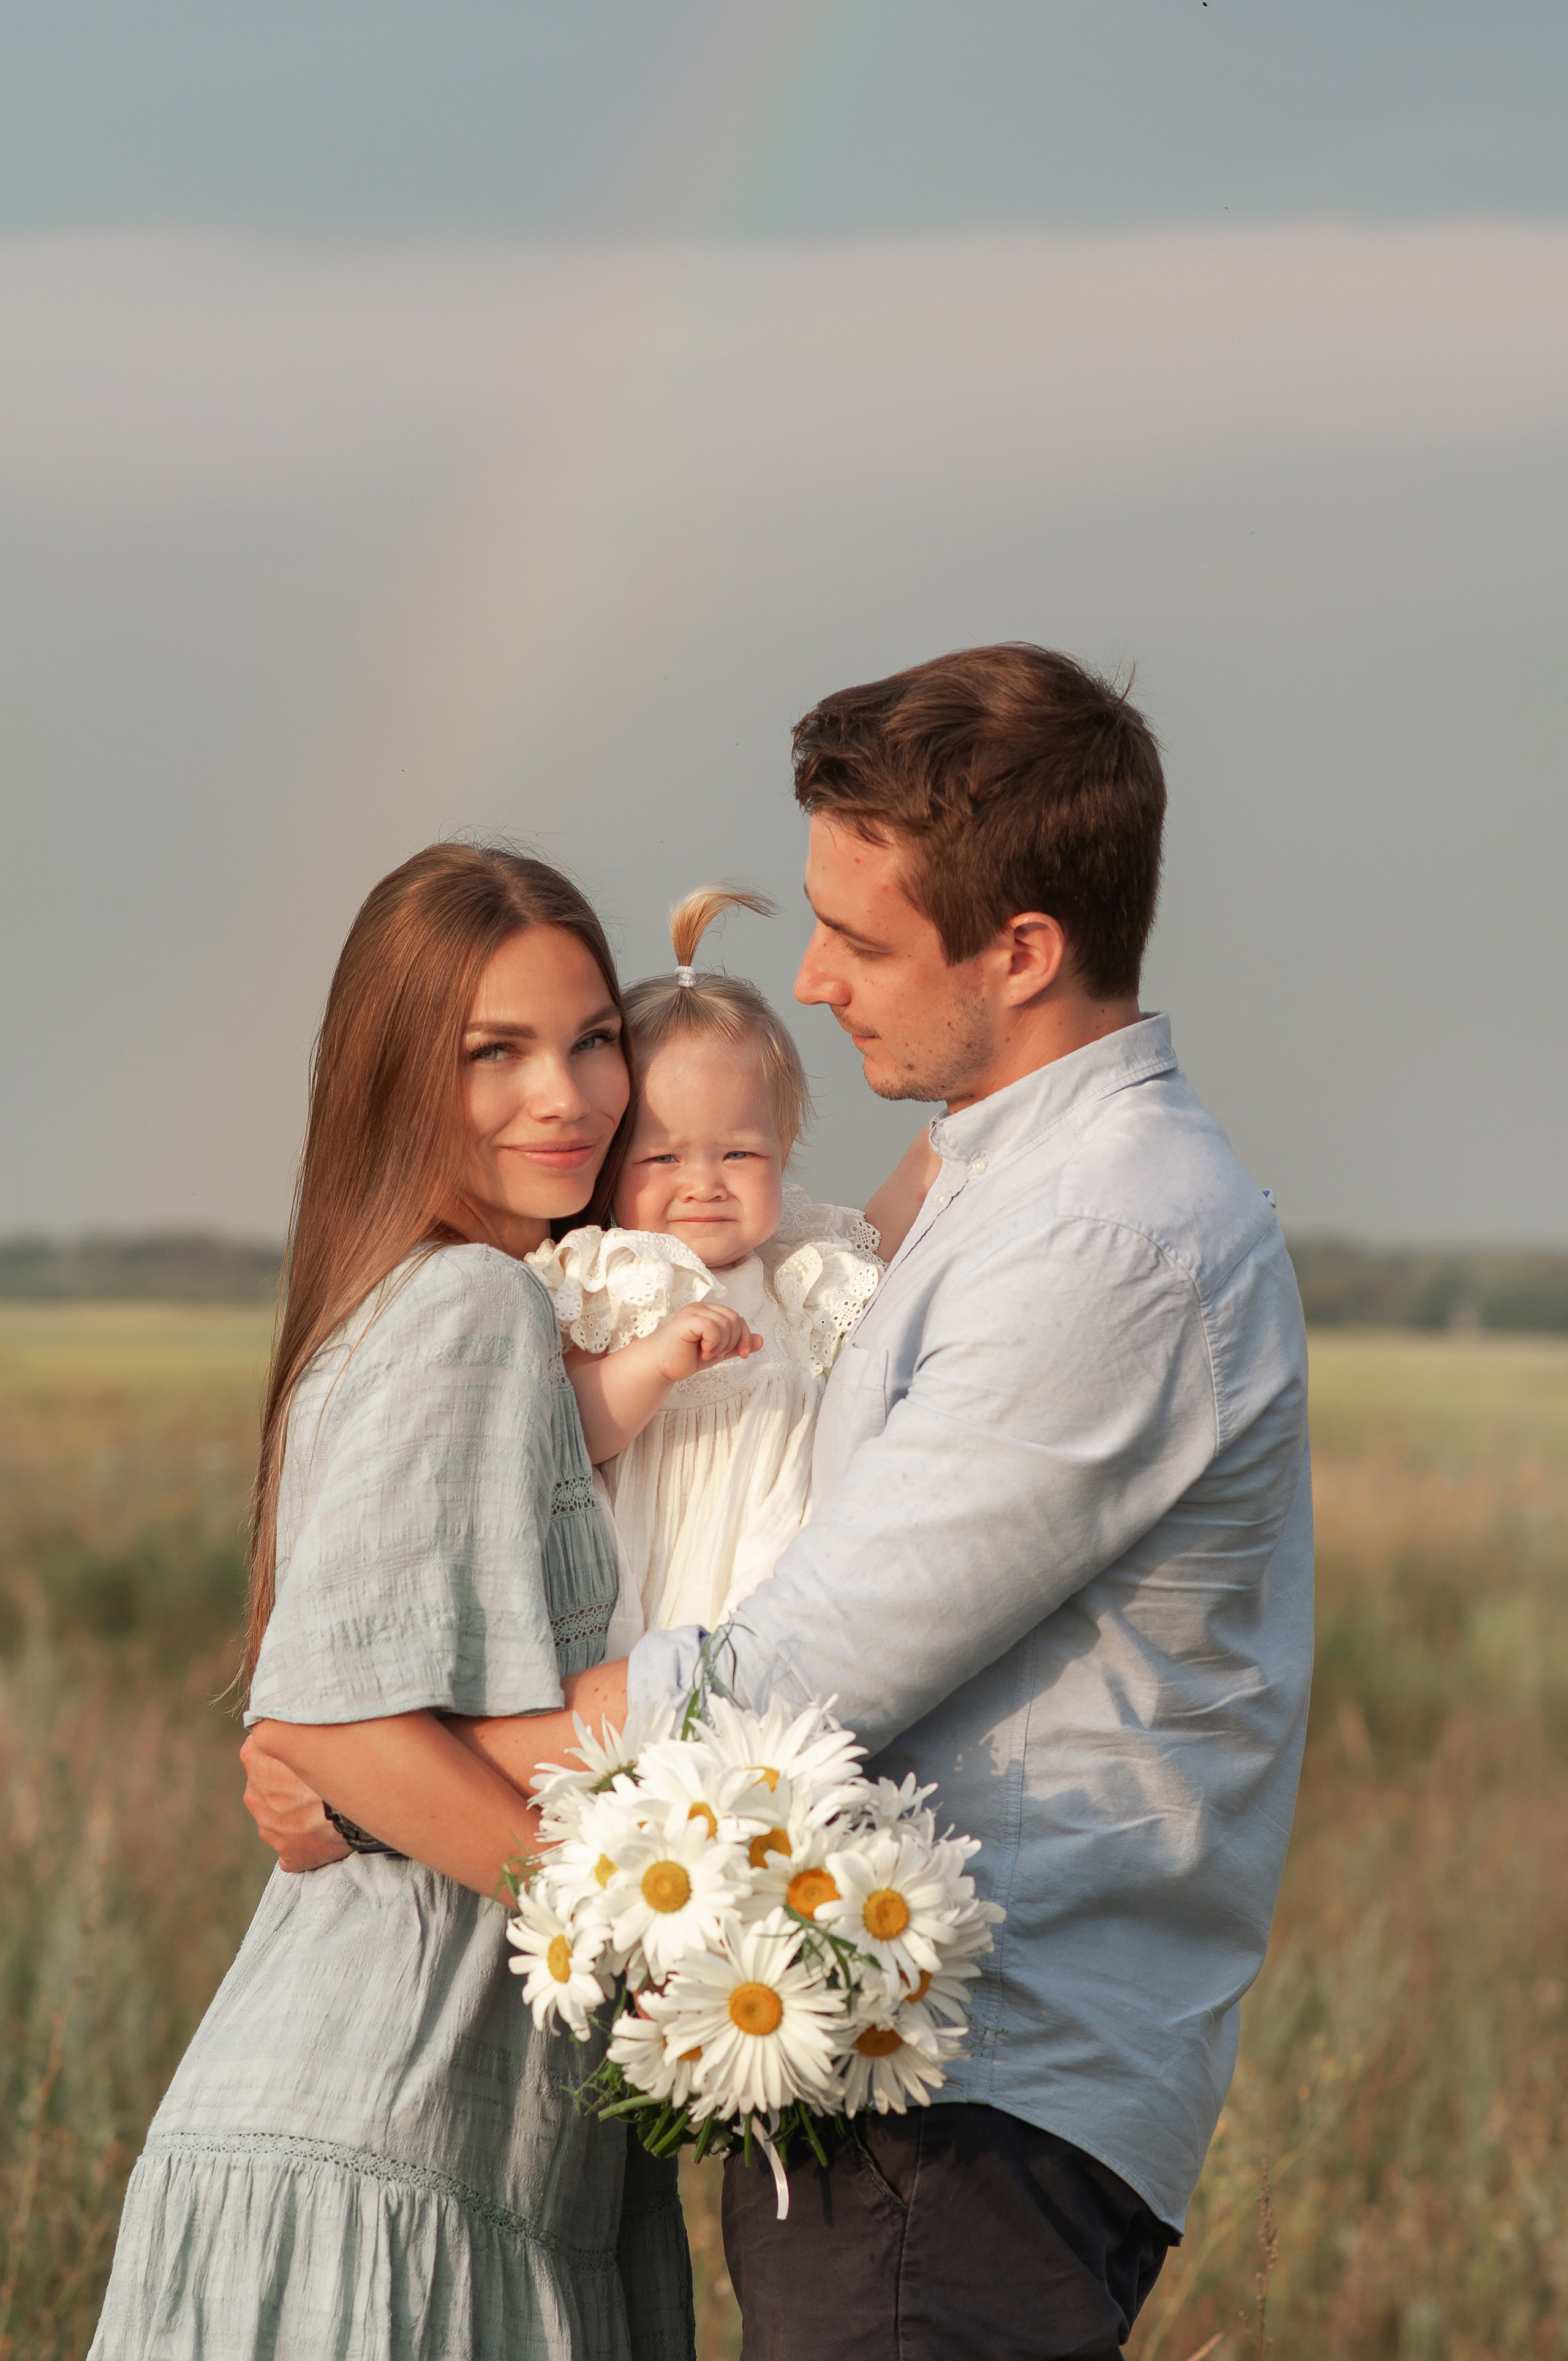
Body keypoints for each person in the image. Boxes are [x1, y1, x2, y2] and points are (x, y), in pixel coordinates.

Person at [540, 645, 1314, 2359]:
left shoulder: (1097, 1241)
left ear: (1024, 949)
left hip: (961, 2110)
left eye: (864, 938)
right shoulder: (1004, 1180)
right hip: (931, 2105)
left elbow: (792, 1676)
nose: (809, 980)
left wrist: (394, 1749)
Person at [91, 845, 703, 2361]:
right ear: (390, 1074)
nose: (564, 1094)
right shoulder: (465, 1304)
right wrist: (636, 1928)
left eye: (590, 1038)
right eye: (491, 1052)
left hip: (427, 2137)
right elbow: (337, 1727)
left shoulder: (440, 1308)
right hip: (386, 2136)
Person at [525, 884, 928, 1650]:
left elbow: (877, 1242)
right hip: (669, 1556)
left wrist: (930, 1155)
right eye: (663, 1156)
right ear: (612, 1163)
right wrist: (653, 1362)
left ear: (784, 1146)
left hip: (788, 1559)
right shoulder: (618, 1274)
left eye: (738, 1152)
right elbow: (573, 1430)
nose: (703, 1182)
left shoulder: (797, 1266)